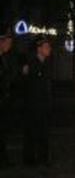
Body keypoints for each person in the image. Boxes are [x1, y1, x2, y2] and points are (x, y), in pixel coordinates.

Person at [22, 38, 53, 167]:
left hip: (43, 103)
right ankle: (30, 159)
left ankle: (43, 158)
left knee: (43, 131)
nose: (49, 49)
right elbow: (29, 85)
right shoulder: (32, 64)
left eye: (49, 47)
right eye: (46, 47)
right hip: (33, 104)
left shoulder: (46, 63)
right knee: (32, 131)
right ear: (39, 49)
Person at [0, 31, 19, 167]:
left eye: (11, 43)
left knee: (3, 130)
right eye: (7, 43)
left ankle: (4, 159)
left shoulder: (5, 58)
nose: (9, 46)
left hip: (4, 98)